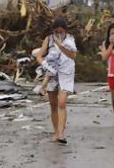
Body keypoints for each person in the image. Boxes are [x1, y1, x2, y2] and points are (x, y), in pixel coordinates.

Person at [36, 17, 77, 145]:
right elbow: (39, 56)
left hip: (66, 74)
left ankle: (61, 133)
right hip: (51, 73)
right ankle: (56, 132)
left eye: (61, 31)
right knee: (53, 104)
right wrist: (45, 65)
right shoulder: (48, 39)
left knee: (62, 103)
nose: (58, 34)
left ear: (65, 31)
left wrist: (61, 46)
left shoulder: (70, 40)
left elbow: (73, 56)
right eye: (56, 32)